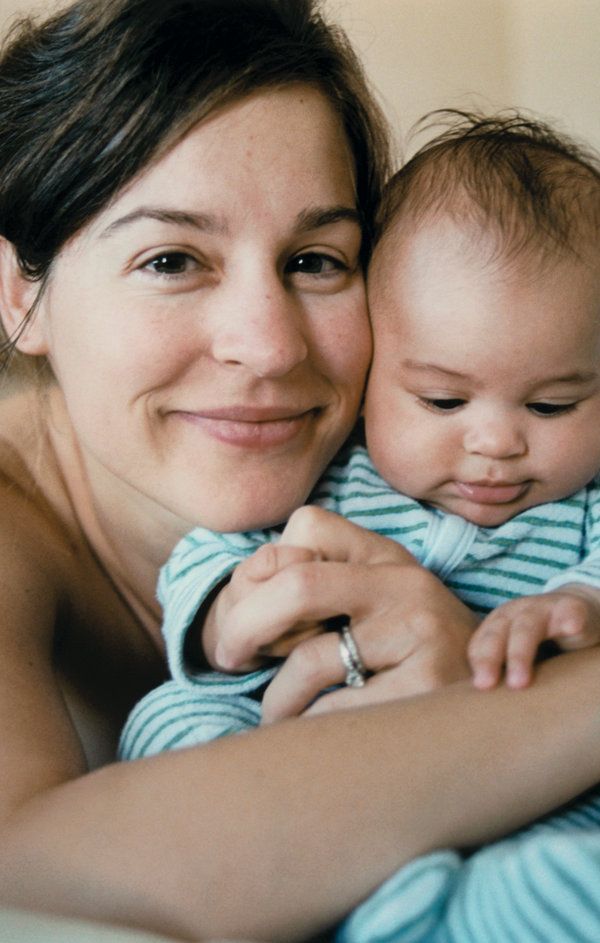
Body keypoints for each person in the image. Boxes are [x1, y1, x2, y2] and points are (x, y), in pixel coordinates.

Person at [1, 2, 600, 941]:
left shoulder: (457, 461)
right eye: (172, 259)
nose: (270, 346)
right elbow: (28, 880)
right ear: (20, 297)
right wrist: (550, 700)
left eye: (317, 260)